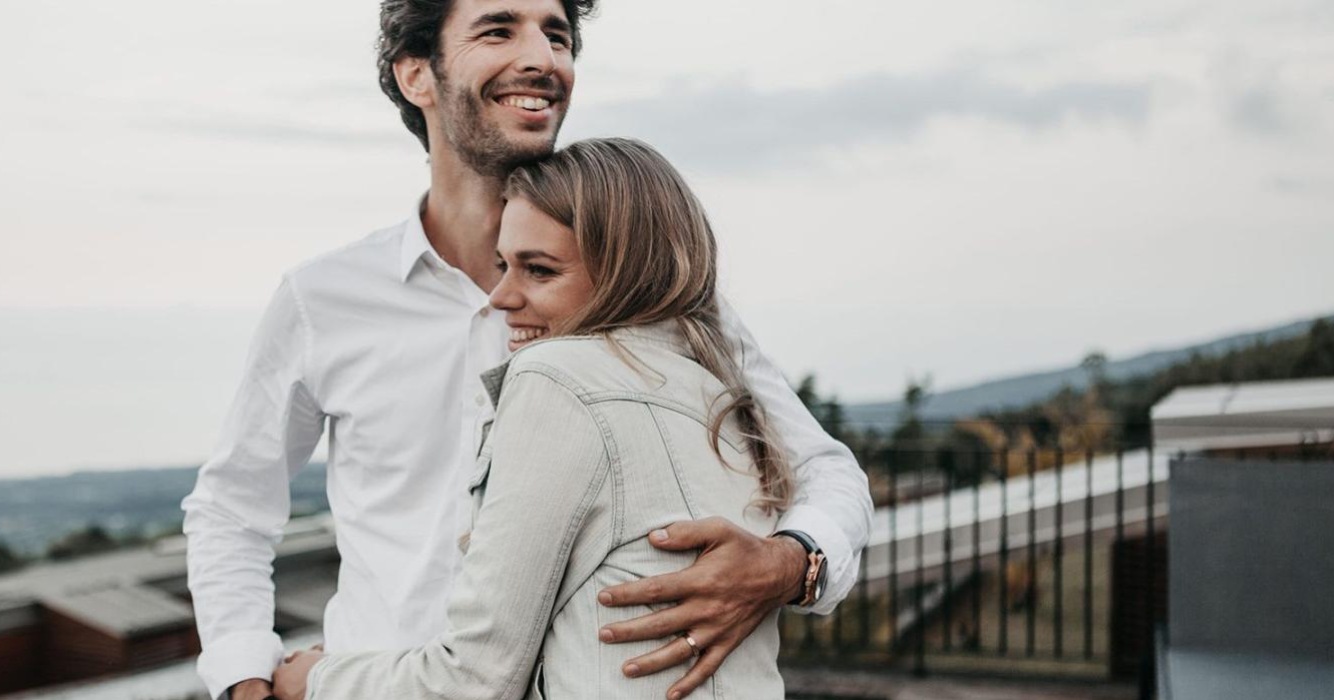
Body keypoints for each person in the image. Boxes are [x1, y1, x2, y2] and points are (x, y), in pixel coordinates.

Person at [181, 2, 873, 699]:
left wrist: (789, 564)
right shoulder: (323, 298)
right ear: (417, 74)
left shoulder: (650, 294)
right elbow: (232, 508)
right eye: (498, 29)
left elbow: (822, 469)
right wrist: (244, 678)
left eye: (558, 35)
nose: (543, 58)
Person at [271, 137, 806, 700]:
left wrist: (314, 680)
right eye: (504, 265)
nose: (501, 296)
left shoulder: (556, 378)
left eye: (540, 271)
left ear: (625, 272)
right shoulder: (721, 391)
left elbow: (476, 679)